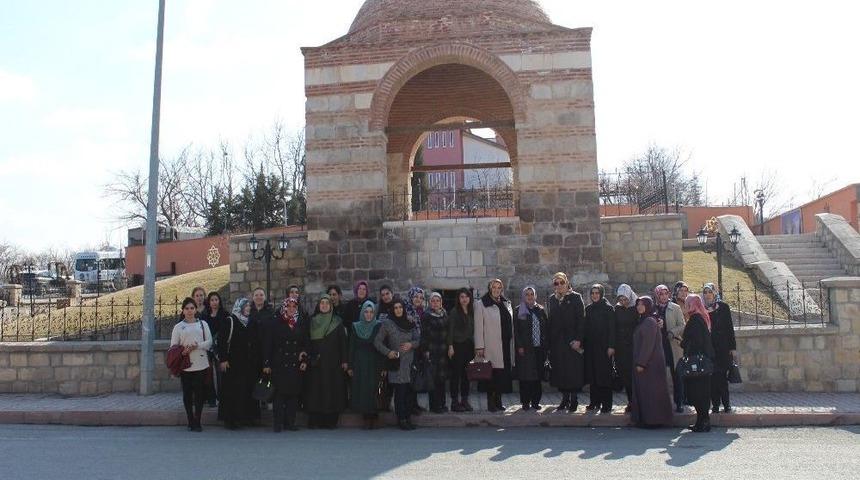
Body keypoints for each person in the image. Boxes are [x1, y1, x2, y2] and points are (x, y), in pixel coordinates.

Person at [262, 297, 309, 432]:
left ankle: (290, 423)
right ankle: (278, 423)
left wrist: (304, 359)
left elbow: (306, 343)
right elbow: (268, 344)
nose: (291, 309)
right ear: (284, 307)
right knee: (279, 395)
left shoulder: (300, 322)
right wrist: (266, 363)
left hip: (295, 363)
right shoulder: (275, 322)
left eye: (294, 306)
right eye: (289, 306)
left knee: (293, 395)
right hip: (279, 363)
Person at [375, 299, 420, 430]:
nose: (398, 310)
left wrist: (411, 344)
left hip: (410, 363)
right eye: (395, 308)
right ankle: (402, 419)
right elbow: (377, 342)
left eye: (400, 307)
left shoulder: (410, 322)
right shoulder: (388, 323)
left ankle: (408, 418)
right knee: (400, 394)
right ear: (392, 310)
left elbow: (418, 340)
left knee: (409, 393)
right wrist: (388, 352)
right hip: (396, 363)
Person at [304, 295, 347, 429]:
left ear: (331, 306)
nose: (324, 305)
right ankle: (315, 420)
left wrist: (345, 360)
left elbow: (343, 343)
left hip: (333, 363)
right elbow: (307, 341)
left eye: (327, 303)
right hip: (316, 362)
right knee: (315, 391)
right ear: (318, 305)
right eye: (322, 303)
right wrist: (309, 357)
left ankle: (330, 421)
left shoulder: (337, 322)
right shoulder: (312, 321)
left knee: (331, 390)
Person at [217, 298, 262, 429]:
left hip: (249, 364)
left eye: (249, 306)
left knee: (248, 391)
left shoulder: (251, 322)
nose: (248, 308)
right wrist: (223, 359)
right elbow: (222, 341)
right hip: (233, 364)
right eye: (245, 306)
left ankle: (248, 417)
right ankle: (231, 419)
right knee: (233, 391)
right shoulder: (230, 321)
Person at [630, 296, 673, 428]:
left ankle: (654, 421)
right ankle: (648, 420)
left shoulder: (649, 321)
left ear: (648, 306)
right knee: (648, 393)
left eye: (642, 304)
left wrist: (641, 363)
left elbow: (648, 345)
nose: (639, 307)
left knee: (651, 394)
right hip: (649, 364)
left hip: (650, 365)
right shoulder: (645, 320)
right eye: (638, 304)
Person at [170, 297, 213, 432]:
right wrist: (183, 351)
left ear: (195, 310)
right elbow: (173, 346)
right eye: (187, 308)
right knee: (187, 393)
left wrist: (197, 346)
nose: (189, 311)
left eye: (192, 308)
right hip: (186, 364)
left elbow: (209, 342)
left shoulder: (203, 324)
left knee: (199, 393)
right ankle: (190, 420)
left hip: (200, 363)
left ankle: (197, 421)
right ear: (183, 310)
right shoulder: (178, 327)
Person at [474, 279, 515, 413]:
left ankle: (499, 400)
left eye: (499, 287)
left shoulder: (506, 303)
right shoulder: (481, 304)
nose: (497, 290)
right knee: (491, 375)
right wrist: (479, 346)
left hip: (505, 344)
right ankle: (490, 402)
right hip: (490, 345)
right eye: (494, 287)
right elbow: (478, 327)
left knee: (501, 375)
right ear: (490, 288)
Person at [547, 272, 585, 412]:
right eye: (556, 283)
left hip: (572, 341)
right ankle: (564, 399)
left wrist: (578, 339)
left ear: (567, 283)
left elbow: (581, 320)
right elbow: (551, 321)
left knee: (572, 370)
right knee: (561, 370)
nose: (559, 285)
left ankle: (574, 399)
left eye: (562, 282)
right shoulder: (552, 299)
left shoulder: (575, 297)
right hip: (558, 341)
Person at [681, 294, 715, 432]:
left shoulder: (695, 320)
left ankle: (702, 422)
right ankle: (703, 421)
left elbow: (696, 341)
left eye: (687, 303)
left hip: (696, 363)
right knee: (702, 393)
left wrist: (683, 343)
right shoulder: (701, 317)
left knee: (697, 393)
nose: (686, 306)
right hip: (703, 362)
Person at [348, 301, 384, 429]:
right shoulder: (355, 326)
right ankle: (366, 417)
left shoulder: (378, 325)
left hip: (374, 362)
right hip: (360, 362)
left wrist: (383, 366)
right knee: (363, 389)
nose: (369, 314)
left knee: (374, 388)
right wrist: (350, 365)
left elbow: (382, 346)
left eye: (371, 312)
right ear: (362, 313)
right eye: (366, 312)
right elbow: (352, 346)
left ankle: (374, 416)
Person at [583, 284, 616, 413]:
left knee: (604, 376)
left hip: (604, 347)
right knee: (593, 375)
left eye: (597, 293)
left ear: (601, 294)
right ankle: (594, 402)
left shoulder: (608, 309)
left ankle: (606, 404)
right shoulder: (589, 309)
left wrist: (611, 346)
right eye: (592, 293)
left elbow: (612, 329)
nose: (594, 295)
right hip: (591, 347)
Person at [704, 283, 736, 414]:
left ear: (714, 293)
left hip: (723, 348)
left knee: (722, 378)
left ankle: (727, 404)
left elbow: (729, 328)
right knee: (712, 379)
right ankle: (715, 405)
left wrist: (732, 347)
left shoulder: (723, 307)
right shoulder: (703, 309)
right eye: (705, 292)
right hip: (709, 349)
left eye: (710, 292)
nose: (708, 295)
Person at [514, 286, 547, 411]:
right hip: (525, 349)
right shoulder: (519, 310)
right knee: (525, 377)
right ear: (524, 296)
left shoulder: (540, 310)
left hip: (538, 348)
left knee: (537, 377)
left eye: (532, 294)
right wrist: (519, 346)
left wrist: (546, 345)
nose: (529, 296)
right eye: (527, 294)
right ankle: (525, 402)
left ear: (535, 296)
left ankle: (535, 401)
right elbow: (516, 330)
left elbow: (545, 328)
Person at [655, 284, 686, 412]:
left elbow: (682, 325)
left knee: (677, 375)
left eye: (665, 293)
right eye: (660, 294)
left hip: (673, 345)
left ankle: (679, 402)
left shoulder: (675, 307)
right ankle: (661, 403)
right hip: (659, 346)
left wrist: (673, 332)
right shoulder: (653, 308)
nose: (663, 296)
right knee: (659, 376)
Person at [419, 292, 449, 413]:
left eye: (438, 301)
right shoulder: (426, 315)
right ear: (429, 302)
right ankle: (435, 406)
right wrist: (425, 350)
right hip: (432, 350)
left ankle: (442, 403)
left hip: (443, 351)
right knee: (434, 379)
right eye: (433, 301)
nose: (435, 303)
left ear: (441, 302)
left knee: (442, 378)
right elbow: (424, 334)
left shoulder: (444, 313)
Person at [447, 288, 474, 412]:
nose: (464, 299)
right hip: (457, 346)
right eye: (462, 297)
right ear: (458, 299)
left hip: (468, 346)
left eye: (466, 297)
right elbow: (450, 330)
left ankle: (464, 400)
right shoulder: (454, 311)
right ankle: (454, 402)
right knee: (456, 375)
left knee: (466, 375)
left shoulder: (472, 311)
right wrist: (450, 346)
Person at [613, 284, 638, 412]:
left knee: (635, 376)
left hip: (634, 346)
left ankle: (638, 401)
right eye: (621, 300)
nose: (623, 302)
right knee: (626, 376)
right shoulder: (617, 309)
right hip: (621, 347)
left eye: (625, 299)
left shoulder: (636, 308)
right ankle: (630, 401)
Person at [200, 292, 227, 408]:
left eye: (216, 300)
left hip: (220, 348)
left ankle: (223, 398)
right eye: (212, 300)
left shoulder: (225, 314)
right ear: (209, 302)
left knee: (221, 374)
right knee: (208, 374)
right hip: (208, 348)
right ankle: (211, 398)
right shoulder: (204, 316)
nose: (214, 302)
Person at [405, 286, 426, 414]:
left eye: (421, 297)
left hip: (418, 347)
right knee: (410, 378)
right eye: (416, 297)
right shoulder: (407, 310)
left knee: (415, 377)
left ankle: (415, 404)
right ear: (411, 297)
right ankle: (409, 406)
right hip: (409, 348)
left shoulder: (421, 310)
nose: (418, 299)